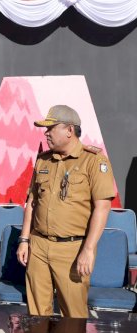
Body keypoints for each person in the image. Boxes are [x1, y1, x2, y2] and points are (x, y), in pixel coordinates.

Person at [17, 105, 116, 318]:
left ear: (69, 130)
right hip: (39, 245)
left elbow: (103, 207)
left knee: (73, 316)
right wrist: (24, 239)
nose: (46, 133)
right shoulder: (43, 160)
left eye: (51, 128)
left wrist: (88, 250)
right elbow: (32, 203)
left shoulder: (94, 161)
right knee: (36, 313)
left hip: (72, 248)